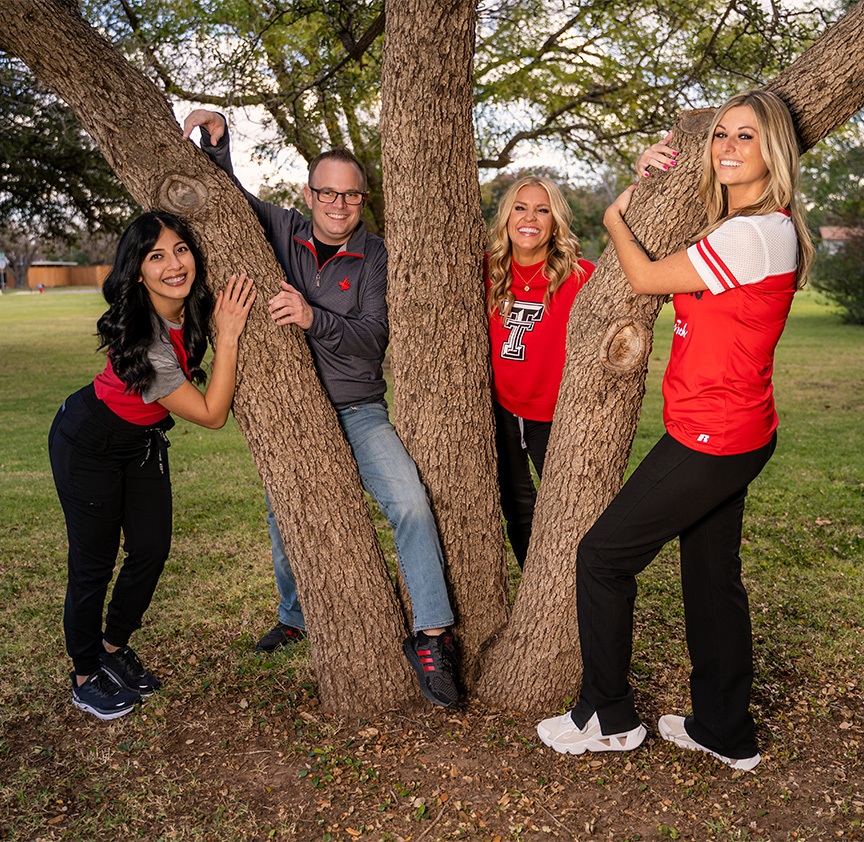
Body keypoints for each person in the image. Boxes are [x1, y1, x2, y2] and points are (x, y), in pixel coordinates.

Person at [537, 89, 814, 769]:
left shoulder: (754, 233)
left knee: (602, 557)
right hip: (735, 428)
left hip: (712, 436)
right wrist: (649, 176)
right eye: (720, 135)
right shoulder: (745, 226)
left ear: (772, 150)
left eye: (745, 137)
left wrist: (614, 215)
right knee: (710, 579)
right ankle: (725, 730)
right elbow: (689, 212)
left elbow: (644, 273)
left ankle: (608, 716)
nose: (727, 148)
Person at [182, 110, 461, 708]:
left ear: (363, 200)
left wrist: (312, 318)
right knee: (287, 520)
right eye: (327, 192)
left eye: (350, 195)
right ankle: (293, 616)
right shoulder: (280, 229)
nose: (338, 203)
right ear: (309, 194)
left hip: (358, 407)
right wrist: (220, 136)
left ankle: (432, 635)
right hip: (292, 415)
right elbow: (225, 199)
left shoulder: (378, 258)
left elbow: (372, 337)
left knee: (410, 502)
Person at [49, 211, 256, 721]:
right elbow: (211, 415)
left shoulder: (191, 306)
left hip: (140, 441)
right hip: (88, 442)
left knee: (151, 548)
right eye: (155, 255)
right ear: (137, 270)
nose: (173, 264)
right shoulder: (146, 338)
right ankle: (84, 674)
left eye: (180, 249)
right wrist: (227, 336)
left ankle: (114, 648)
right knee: (92, 563)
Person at [486, 177, 593, 567]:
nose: (530, 218)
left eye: (542, 210)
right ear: (507, 216)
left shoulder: (581, 276)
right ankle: (535, 592)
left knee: (571, 510)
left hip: (554, 414)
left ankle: (572, 590)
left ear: (555, 221)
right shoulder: (486, 270)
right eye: (520, 207)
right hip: (500, 409)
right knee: (516, 506)